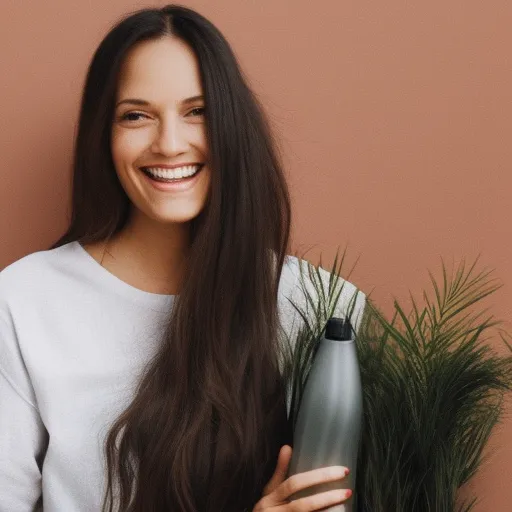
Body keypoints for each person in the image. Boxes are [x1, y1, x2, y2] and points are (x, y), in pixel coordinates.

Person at [0, 4, 365, 511]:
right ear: (102, 134)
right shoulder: (23, 303)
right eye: (136, 115)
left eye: (199, 111)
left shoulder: (323, 310)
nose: (170, 144)